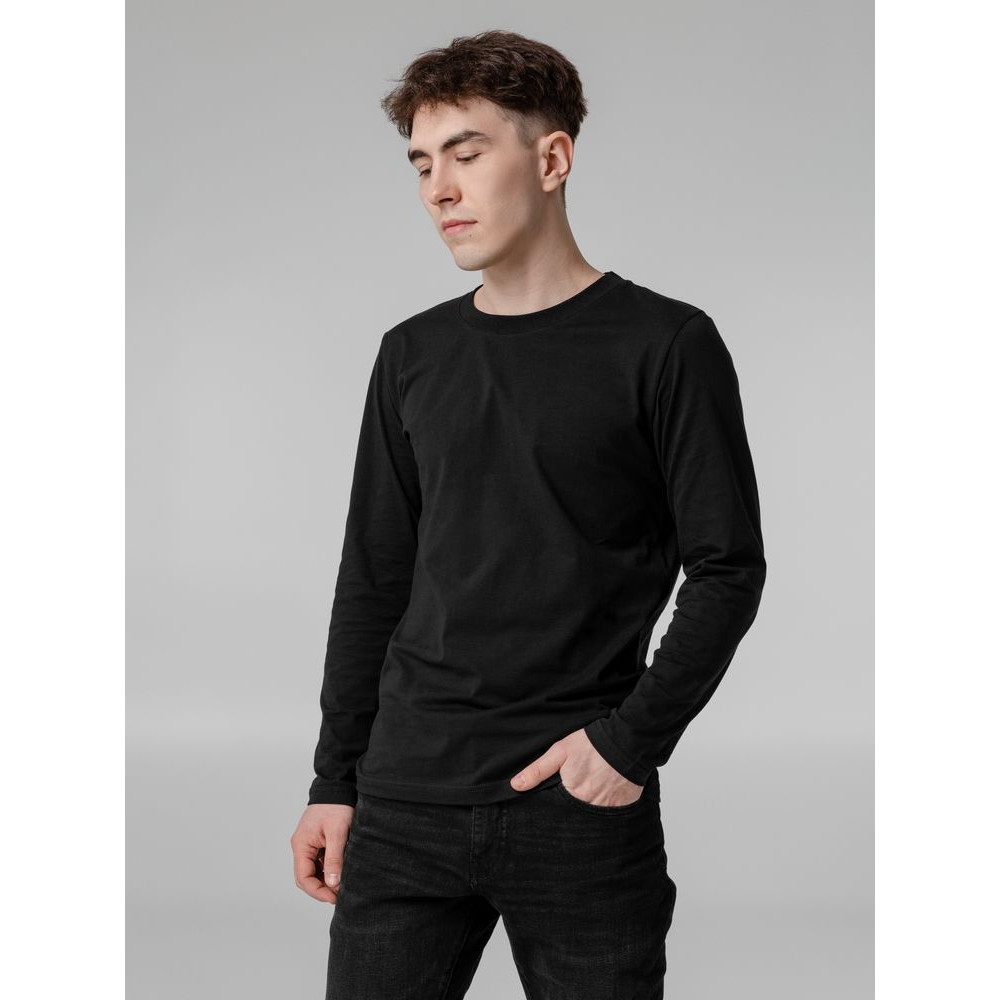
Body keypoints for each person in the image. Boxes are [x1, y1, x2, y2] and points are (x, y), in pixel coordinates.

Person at [290, 28, 766, 1000]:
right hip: (405, 802)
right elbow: (374, 580)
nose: (438, 189)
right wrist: (335, 780)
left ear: (551, 160)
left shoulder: (665, 344)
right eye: (421, 163)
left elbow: (727, 568)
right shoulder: (412, 355)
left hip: (573, 806)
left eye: (466, 153)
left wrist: (628, 744)